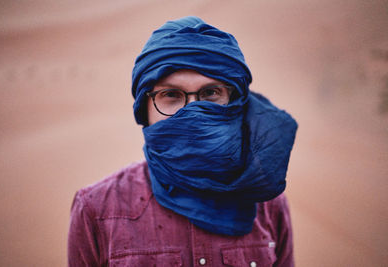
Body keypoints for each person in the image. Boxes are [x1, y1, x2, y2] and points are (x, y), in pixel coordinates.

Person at [68, 16, 298, 266]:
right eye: (171, 95)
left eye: (210, 93)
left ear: (235, 103)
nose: (193, 112)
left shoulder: (268, 204)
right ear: (144, 109)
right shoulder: (96, 209)